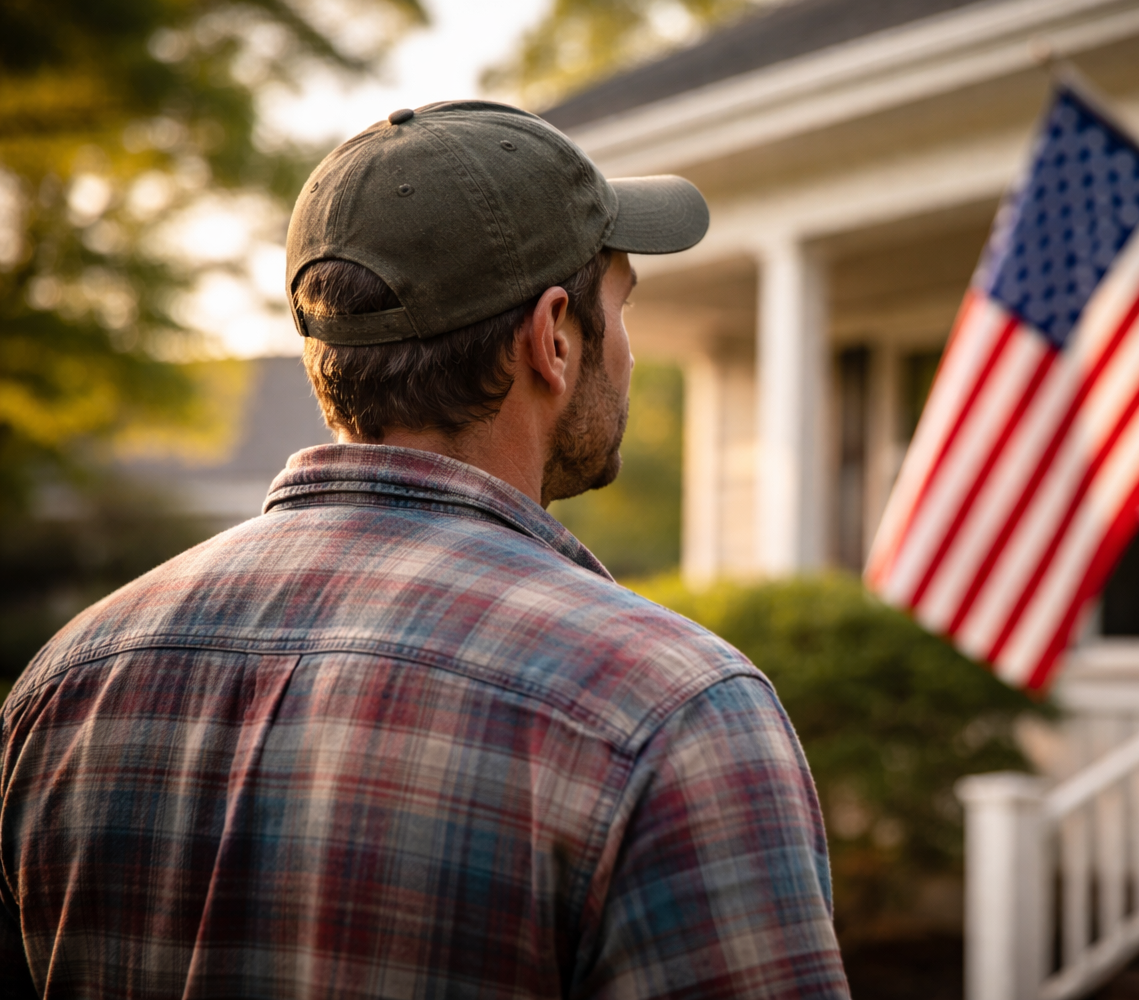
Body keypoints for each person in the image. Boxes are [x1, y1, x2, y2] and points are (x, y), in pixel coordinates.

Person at [0, 101, 850, 999]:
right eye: (622, 306)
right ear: (554, 338)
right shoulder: (668, 713)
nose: (630, 353)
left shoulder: (64, 683)